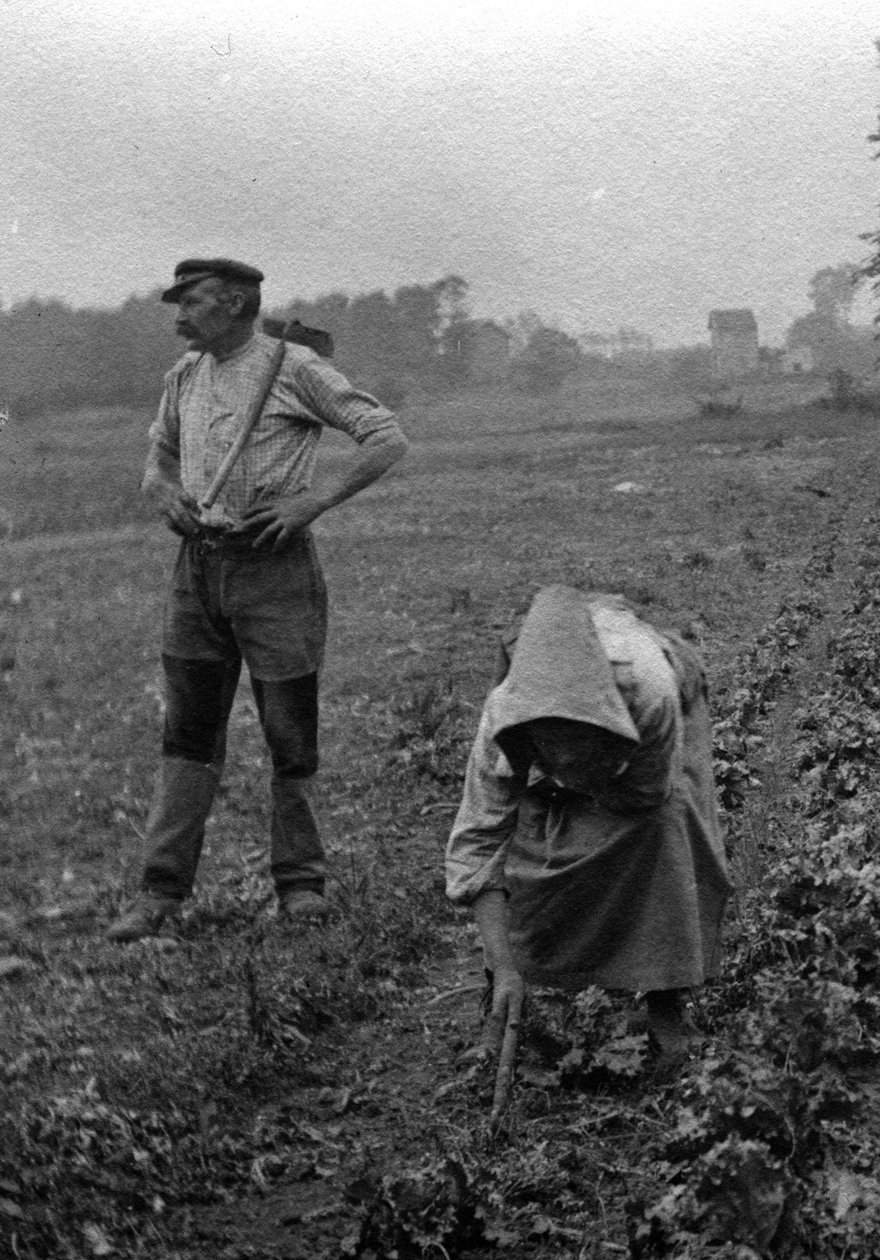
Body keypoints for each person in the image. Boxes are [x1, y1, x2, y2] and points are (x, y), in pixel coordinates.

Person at [109, 258, 407, 941]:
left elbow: (386, 437)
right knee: (187, 733)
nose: (179, 316)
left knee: (288, 732)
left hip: (275, 573)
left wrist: (312, 502)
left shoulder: (294, 367)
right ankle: (160, 894)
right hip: (197, 572)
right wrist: (161, 491)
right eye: (178, 304)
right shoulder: (183, 374)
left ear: (237, 303)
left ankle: (300, 885)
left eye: (193, 303)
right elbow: (158, 458)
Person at [445, 584, 731, 1062]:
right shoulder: (504, 718)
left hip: (643, 757)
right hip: (557, 688)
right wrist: (504, 965)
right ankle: (506, 994)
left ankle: (666, 1001)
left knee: (663, 829)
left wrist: (585, 783)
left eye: (578, 751)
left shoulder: (651, 695)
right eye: (550, 750)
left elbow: (648, 795)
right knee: (534, 844)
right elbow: (478, 841)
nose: (565, 764)